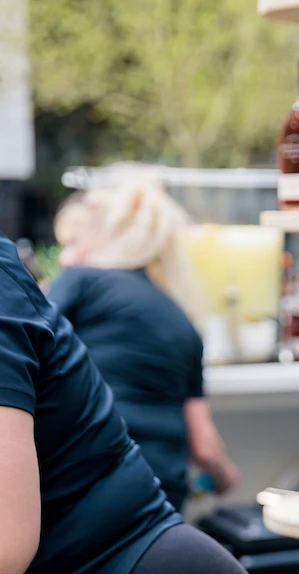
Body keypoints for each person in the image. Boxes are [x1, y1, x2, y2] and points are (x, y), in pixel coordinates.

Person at [0, 65, 288, 574]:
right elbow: (207, 447)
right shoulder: (177, 317)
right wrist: (223, 487)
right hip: (157, 507)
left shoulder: (63, 283)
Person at [49, 172, 239, 510]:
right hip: (159, 504)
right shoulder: (184, 323)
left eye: (74, 243)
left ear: (112, 239)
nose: (65, 258)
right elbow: (204, 447)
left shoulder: (82, 282)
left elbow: (25, 349)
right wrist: (226, 476)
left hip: (86, 485)